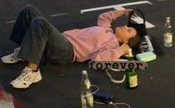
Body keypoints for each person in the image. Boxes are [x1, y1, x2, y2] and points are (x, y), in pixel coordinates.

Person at [1, 5, 140, 89]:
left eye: (128, 30)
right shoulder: (107, 29)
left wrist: (121, 50)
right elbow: (104, 17)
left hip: (68, 52)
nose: (125, 26)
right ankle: (25, 51)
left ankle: (32, 72)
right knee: (29, 10)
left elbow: (97, 61)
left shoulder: (112, 45)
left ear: (126, 41)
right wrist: (123, 12)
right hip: (62, 40)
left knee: (40, 23)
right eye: (128, 26)